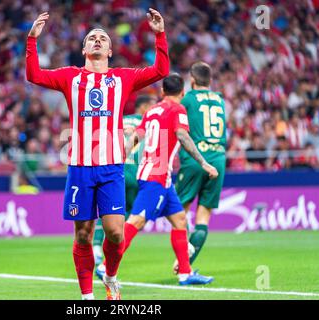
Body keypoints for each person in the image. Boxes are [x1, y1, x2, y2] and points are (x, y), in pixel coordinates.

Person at [26, 9, 169, 300]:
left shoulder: (122, 79)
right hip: (80, 167)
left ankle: (111, 275)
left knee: (116, 232)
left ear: (110, 49)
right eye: (91, 38)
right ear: (83, 49)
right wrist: (31, 41)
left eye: (103, 38)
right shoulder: (70, 78)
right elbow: (34, 75)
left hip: (111, 167)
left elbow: (160, 72)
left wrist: (159, 35)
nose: (97, 41)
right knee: (83, 234)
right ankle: (87, 297)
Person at [96, 74, 218, 285]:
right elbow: (183, 136)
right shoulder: (177, 109)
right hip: (156, 176)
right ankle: (105, 266)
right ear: (182, 92)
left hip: (161, 176)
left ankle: (185, 274)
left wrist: (122, 156)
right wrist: (204, 163)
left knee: (179, 219)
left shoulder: (152, 110)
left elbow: (136, 136)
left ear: (162, 91)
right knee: (136, 221)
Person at [174, 62, 227, 272]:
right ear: (211, 81)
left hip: (195, 160)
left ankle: (184, 256)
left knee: (179, 213)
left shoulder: (187, 99)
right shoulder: (220, 100)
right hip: (219, 159)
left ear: (192, 81)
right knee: (203, 217)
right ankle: (186, 264)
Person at [92, 95, 157, 266]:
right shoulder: (149, 124)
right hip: (137, 173)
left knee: (109, 211)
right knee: (132, 214)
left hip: (116, 171)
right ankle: (112, 253)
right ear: (142, 107)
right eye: (151, 105)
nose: (152, 109)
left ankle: (97, 248)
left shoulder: (118, 121)